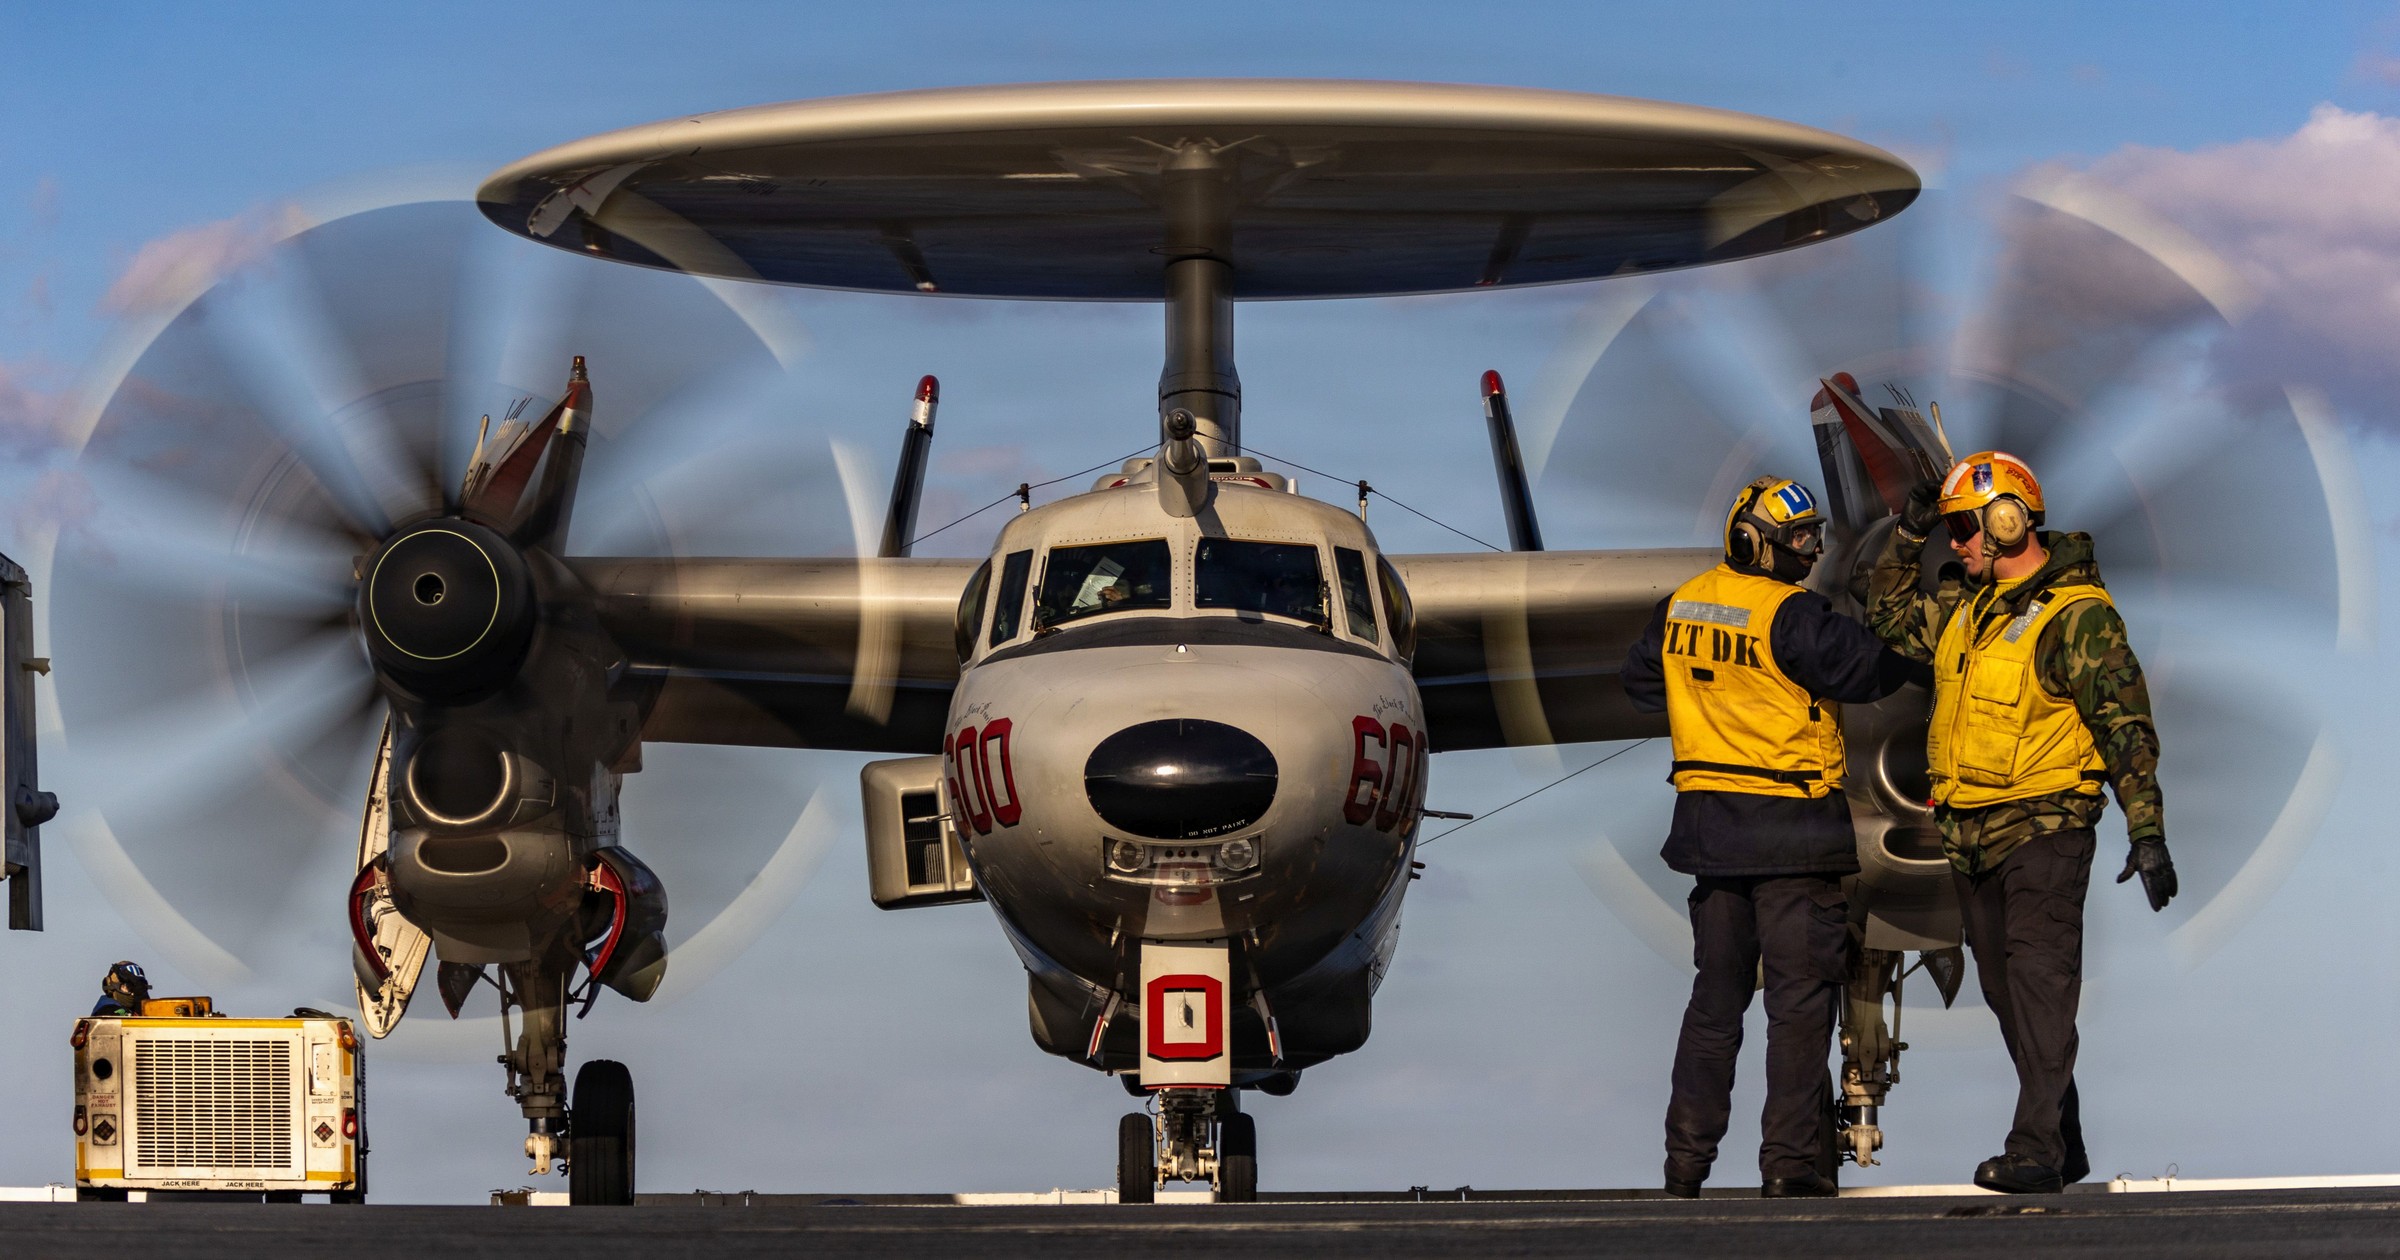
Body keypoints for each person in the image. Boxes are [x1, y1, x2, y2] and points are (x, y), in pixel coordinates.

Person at [1869, 451, 2172, 1195]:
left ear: (2008, 520)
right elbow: (1884, 615)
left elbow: (2125, 724)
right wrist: (1907, 531)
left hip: (2045, 827)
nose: (1957, 544)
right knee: (2007, 994)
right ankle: (2063, 1139)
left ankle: (2033, 1149)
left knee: (2039, 984)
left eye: (1964, 528)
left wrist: (2147, 830)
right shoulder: (1964, 615)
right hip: (1970, 838)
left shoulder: (2079, 617)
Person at [1623, 476, 1929, 1199]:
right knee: (1799, 1008)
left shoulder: (1681, 605)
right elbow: (1871, 671)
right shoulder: (1794, 615)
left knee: (1714, 1002)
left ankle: (1684, 1165)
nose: (1813, 548)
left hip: (1712, 840)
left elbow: (1642, 683)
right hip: (1794, 839)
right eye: (1798, 538)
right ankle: (1790, 1166)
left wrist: (1717, 699)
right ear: (1751, 540)